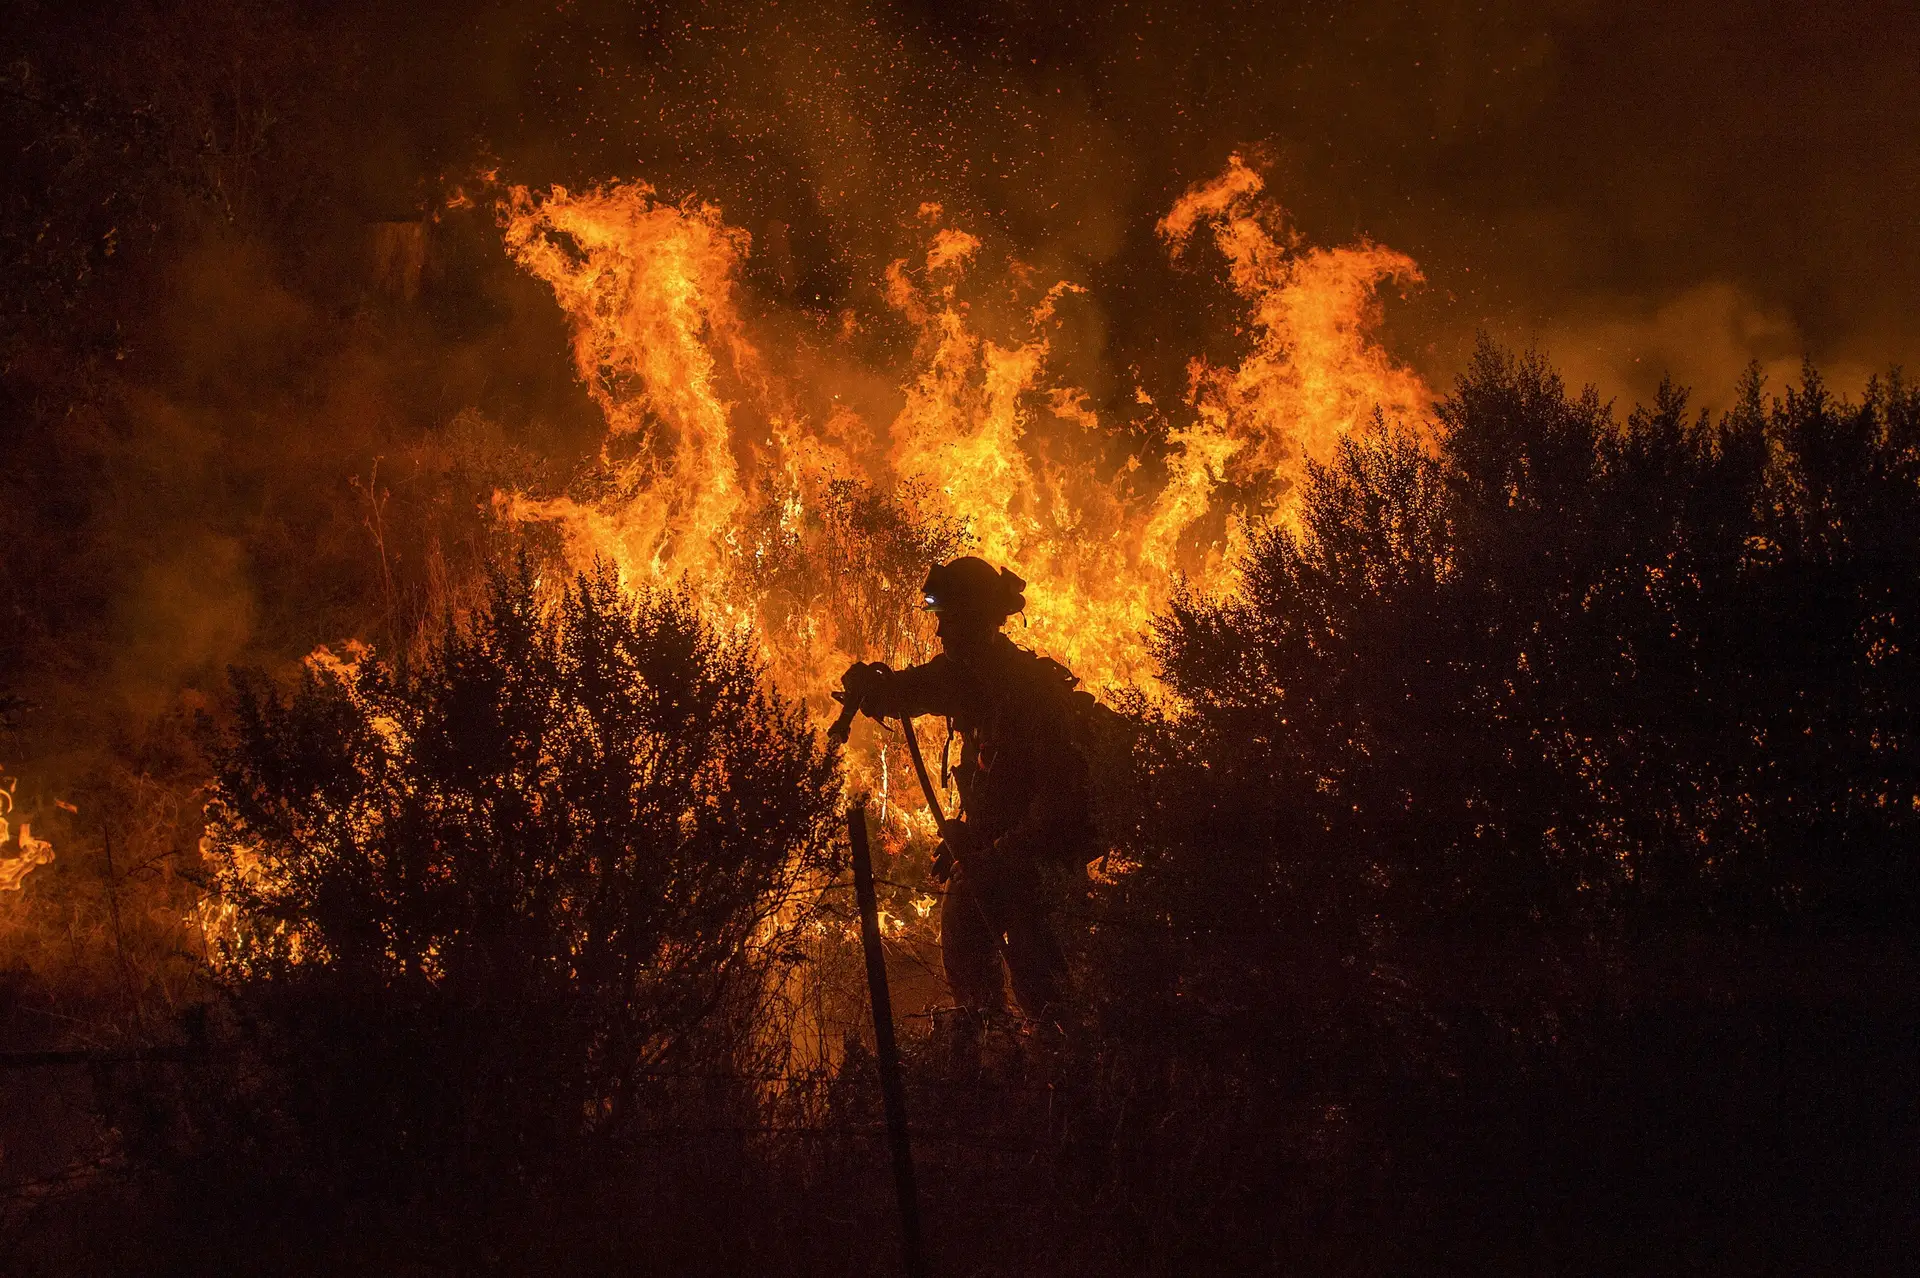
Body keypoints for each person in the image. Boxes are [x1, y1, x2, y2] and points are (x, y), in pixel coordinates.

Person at [840, 557, 1096, 1023]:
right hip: (992, 857)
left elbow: (1057, 802)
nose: (940, 634)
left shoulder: (1030, 691)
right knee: (968, 961)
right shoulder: (968, 675)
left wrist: (995, 854)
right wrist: (871, 687)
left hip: (1041, 866)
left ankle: (1060, 1074)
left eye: (949, 620)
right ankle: (990, 1057)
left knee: (1047, 996)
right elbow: (913, 690)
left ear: (978, 619)